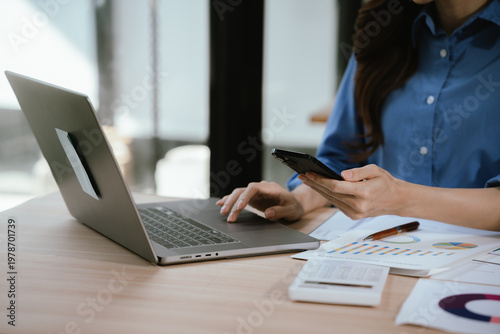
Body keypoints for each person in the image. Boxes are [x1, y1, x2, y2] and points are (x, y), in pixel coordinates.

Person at [217, 0, 500, 231]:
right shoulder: (383, 33)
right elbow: (341, 157)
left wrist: (400, 199)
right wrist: (299, 199)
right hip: (382, 249)